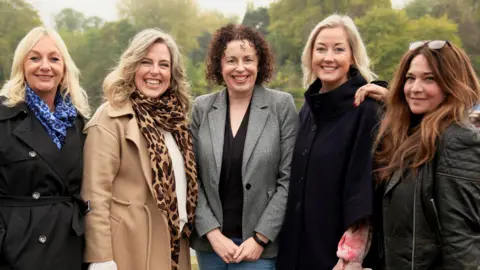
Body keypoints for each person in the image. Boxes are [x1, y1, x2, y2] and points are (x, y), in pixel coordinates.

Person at [276, 14, 387, 270]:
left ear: (352, 56)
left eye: (338, 49)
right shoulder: (308, 108)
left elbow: (363, 192)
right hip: (296, 250)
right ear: (310, 56)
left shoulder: (366, 110)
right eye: (321, 49)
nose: (328, 57)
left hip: (337, 257)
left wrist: (350, 258)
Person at [81, 28, 198, 270]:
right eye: (146, 62)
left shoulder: (176, 121)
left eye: (164, 65)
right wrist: (101, 258)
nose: (155, 71)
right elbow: (95, 194)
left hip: (174, 247)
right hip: (130, 250)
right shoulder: (111, 117)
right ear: (132, 66)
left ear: (172, 73)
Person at [190, 24, 299, 269]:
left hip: (259, 249)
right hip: (211, 247)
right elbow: (191, 177)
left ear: (259, 63)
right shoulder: (201, 108)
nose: (240, 68)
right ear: (220, 65)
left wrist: (261, 237)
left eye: (248, 59)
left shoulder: (281, 106)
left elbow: (289, 178)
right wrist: (212, 233)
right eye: (231, 60)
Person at [374, 40, 480, 269]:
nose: (415, 88)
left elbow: (461, 240)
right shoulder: (409, 135)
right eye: (410, 78)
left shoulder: (457, 140)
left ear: (452, 83)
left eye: (429, 79)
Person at [0, 26, 90, 270]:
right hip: (15, 251)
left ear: (64, 69)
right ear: (21, 66)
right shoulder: (3, 116)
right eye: (35, 58)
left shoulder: (79, 123)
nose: (45, 66)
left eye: (54, 58)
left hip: (68, 248)